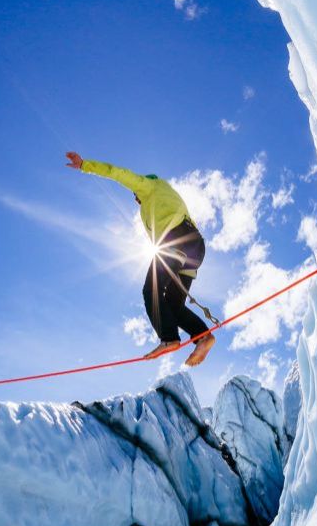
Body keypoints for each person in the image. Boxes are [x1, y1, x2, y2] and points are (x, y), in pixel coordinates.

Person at [65, 152, 216, 366]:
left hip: (177, 241)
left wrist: (84, 165)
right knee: (173, 304)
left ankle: (169, 338)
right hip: (195, 248)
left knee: (150, 290)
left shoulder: (150, 186)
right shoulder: (167, 196)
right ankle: (203, 336)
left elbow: (119, 174)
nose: (135, 199)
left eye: (136, 195)